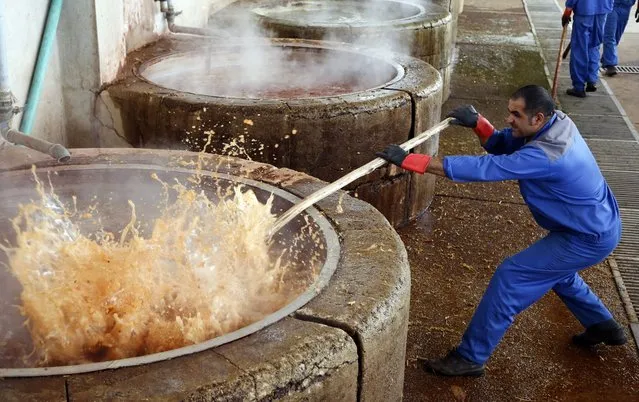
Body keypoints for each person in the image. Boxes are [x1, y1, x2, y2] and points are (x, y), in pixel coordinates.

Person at [376, 85, 626, 377]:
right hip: (596, 223)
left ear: (538, 118)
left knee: (513, 275)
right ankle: (602, 325)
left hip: (587, 236)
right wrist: (479, 124)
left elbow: (487, 168)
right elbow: (504, 143)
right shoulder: (556, 125)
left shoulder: (547, 154)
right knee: (557, 273)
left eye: (516, 114)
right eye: (509, 112)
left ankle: (470, 357)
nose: (509, 119)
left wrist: (411, 160)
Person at [562, 0, 613, 97]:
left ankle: (578, 87)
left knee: (579, 49)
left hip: (584, 9)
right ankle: (592, 79)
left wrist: (568, 9)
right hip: (602, 9)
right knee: (594, 45)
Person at [602, 0, 638, 77]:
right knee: (610, 35)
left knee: (616, 37)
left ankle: (607, 57)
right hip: (612, 6)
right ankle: (610, 65)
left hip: (626, 7)